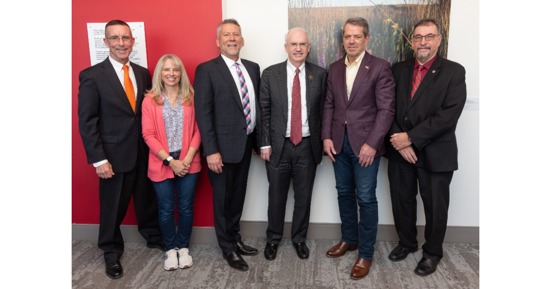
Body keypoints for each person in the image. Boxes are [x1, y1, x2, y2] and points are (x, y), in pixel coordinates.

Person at [77, 19, 163, 279]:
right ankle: (111, 252)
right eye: (115, 38)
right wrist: (98, 159)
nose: (121, 43)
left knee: (147, 199)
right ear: (106, 42)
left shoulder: (142, 72)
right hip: (112, 156)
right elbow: (87, 121)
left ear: (132, 41)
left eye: (125, 38)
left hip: (142, 151)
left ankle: (152, 236)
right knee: (112, 206)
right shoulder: (92, 75)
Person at [385, 18, 467, 277]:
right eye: (418, 36)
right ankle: (407, 243)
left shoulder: (454, 71)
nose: (423, 42)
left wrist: (411, 138)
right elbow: (387, 109)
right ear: (411, 41)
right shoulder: (398, 69)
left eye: (429, 36)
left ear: (439, 40)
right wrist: (399, 140)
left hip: (436, 152)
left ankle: (432, 253)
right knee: (402, 201)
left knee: (435, 206)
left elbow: (449, 115)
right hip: (400, 151)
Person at [321, 17, 395, 280]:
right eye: (347, 36)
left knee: (365, 198)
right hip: (338, 144)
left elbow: (386, 110)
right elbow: (329, 105)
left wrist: (372, 144)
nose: (351, 41)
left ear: (366, 39)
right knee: (343, 193)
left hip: (366, 147)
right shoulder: (334, 68)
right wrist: (326, 137)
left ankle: (365, 253)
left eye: (357, 36)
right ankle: (349, 239)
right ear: (343, 39)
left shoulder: (380, 67)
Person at [193, 18, 260, 272]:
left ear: (242, 40)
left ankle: (235, 237)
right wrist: (211, 150)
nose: (232, 39)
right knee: (222, 201)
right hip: (219, 150)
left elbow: (256, 108)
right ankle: (227, 248)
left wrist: (259, 140)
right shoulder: (207, 69)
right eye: (227, 35)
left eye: (236, 34)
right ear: (218, 42)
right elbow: (204, 113)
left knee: (237, 197)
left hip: (245, 146)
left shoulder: (253, 68)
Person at [258, 28, 327, 261]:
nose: (298, 48)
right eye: (293, 44)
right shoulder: (270, 74)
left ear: (308, 47)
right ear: (286, 47)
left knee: (303, 198)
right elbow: (263, 112)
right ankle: (273, 239)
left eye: (302, 44)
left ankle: (299, 239)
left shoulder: (320, 75)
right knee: (276, 197)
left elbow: (325, 112)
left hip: (308, 147)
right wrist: (265, 144)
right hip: (278, 147)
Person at [141, 54, 201, 271]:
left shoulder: (191, 97)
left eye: (175, 69)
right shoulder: (150, 100)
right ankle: (170, 249)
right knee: (166, 208)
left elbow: (198, 130)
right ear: (160, 73)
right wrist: (169, 160)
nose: (171, 74)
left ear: (181, 72)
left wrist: (187, 158)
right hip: (162, 161)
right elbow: (148, 135)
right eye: (167, 69)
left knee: (185, 207)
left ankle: (183, 247)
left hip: (188, 160)